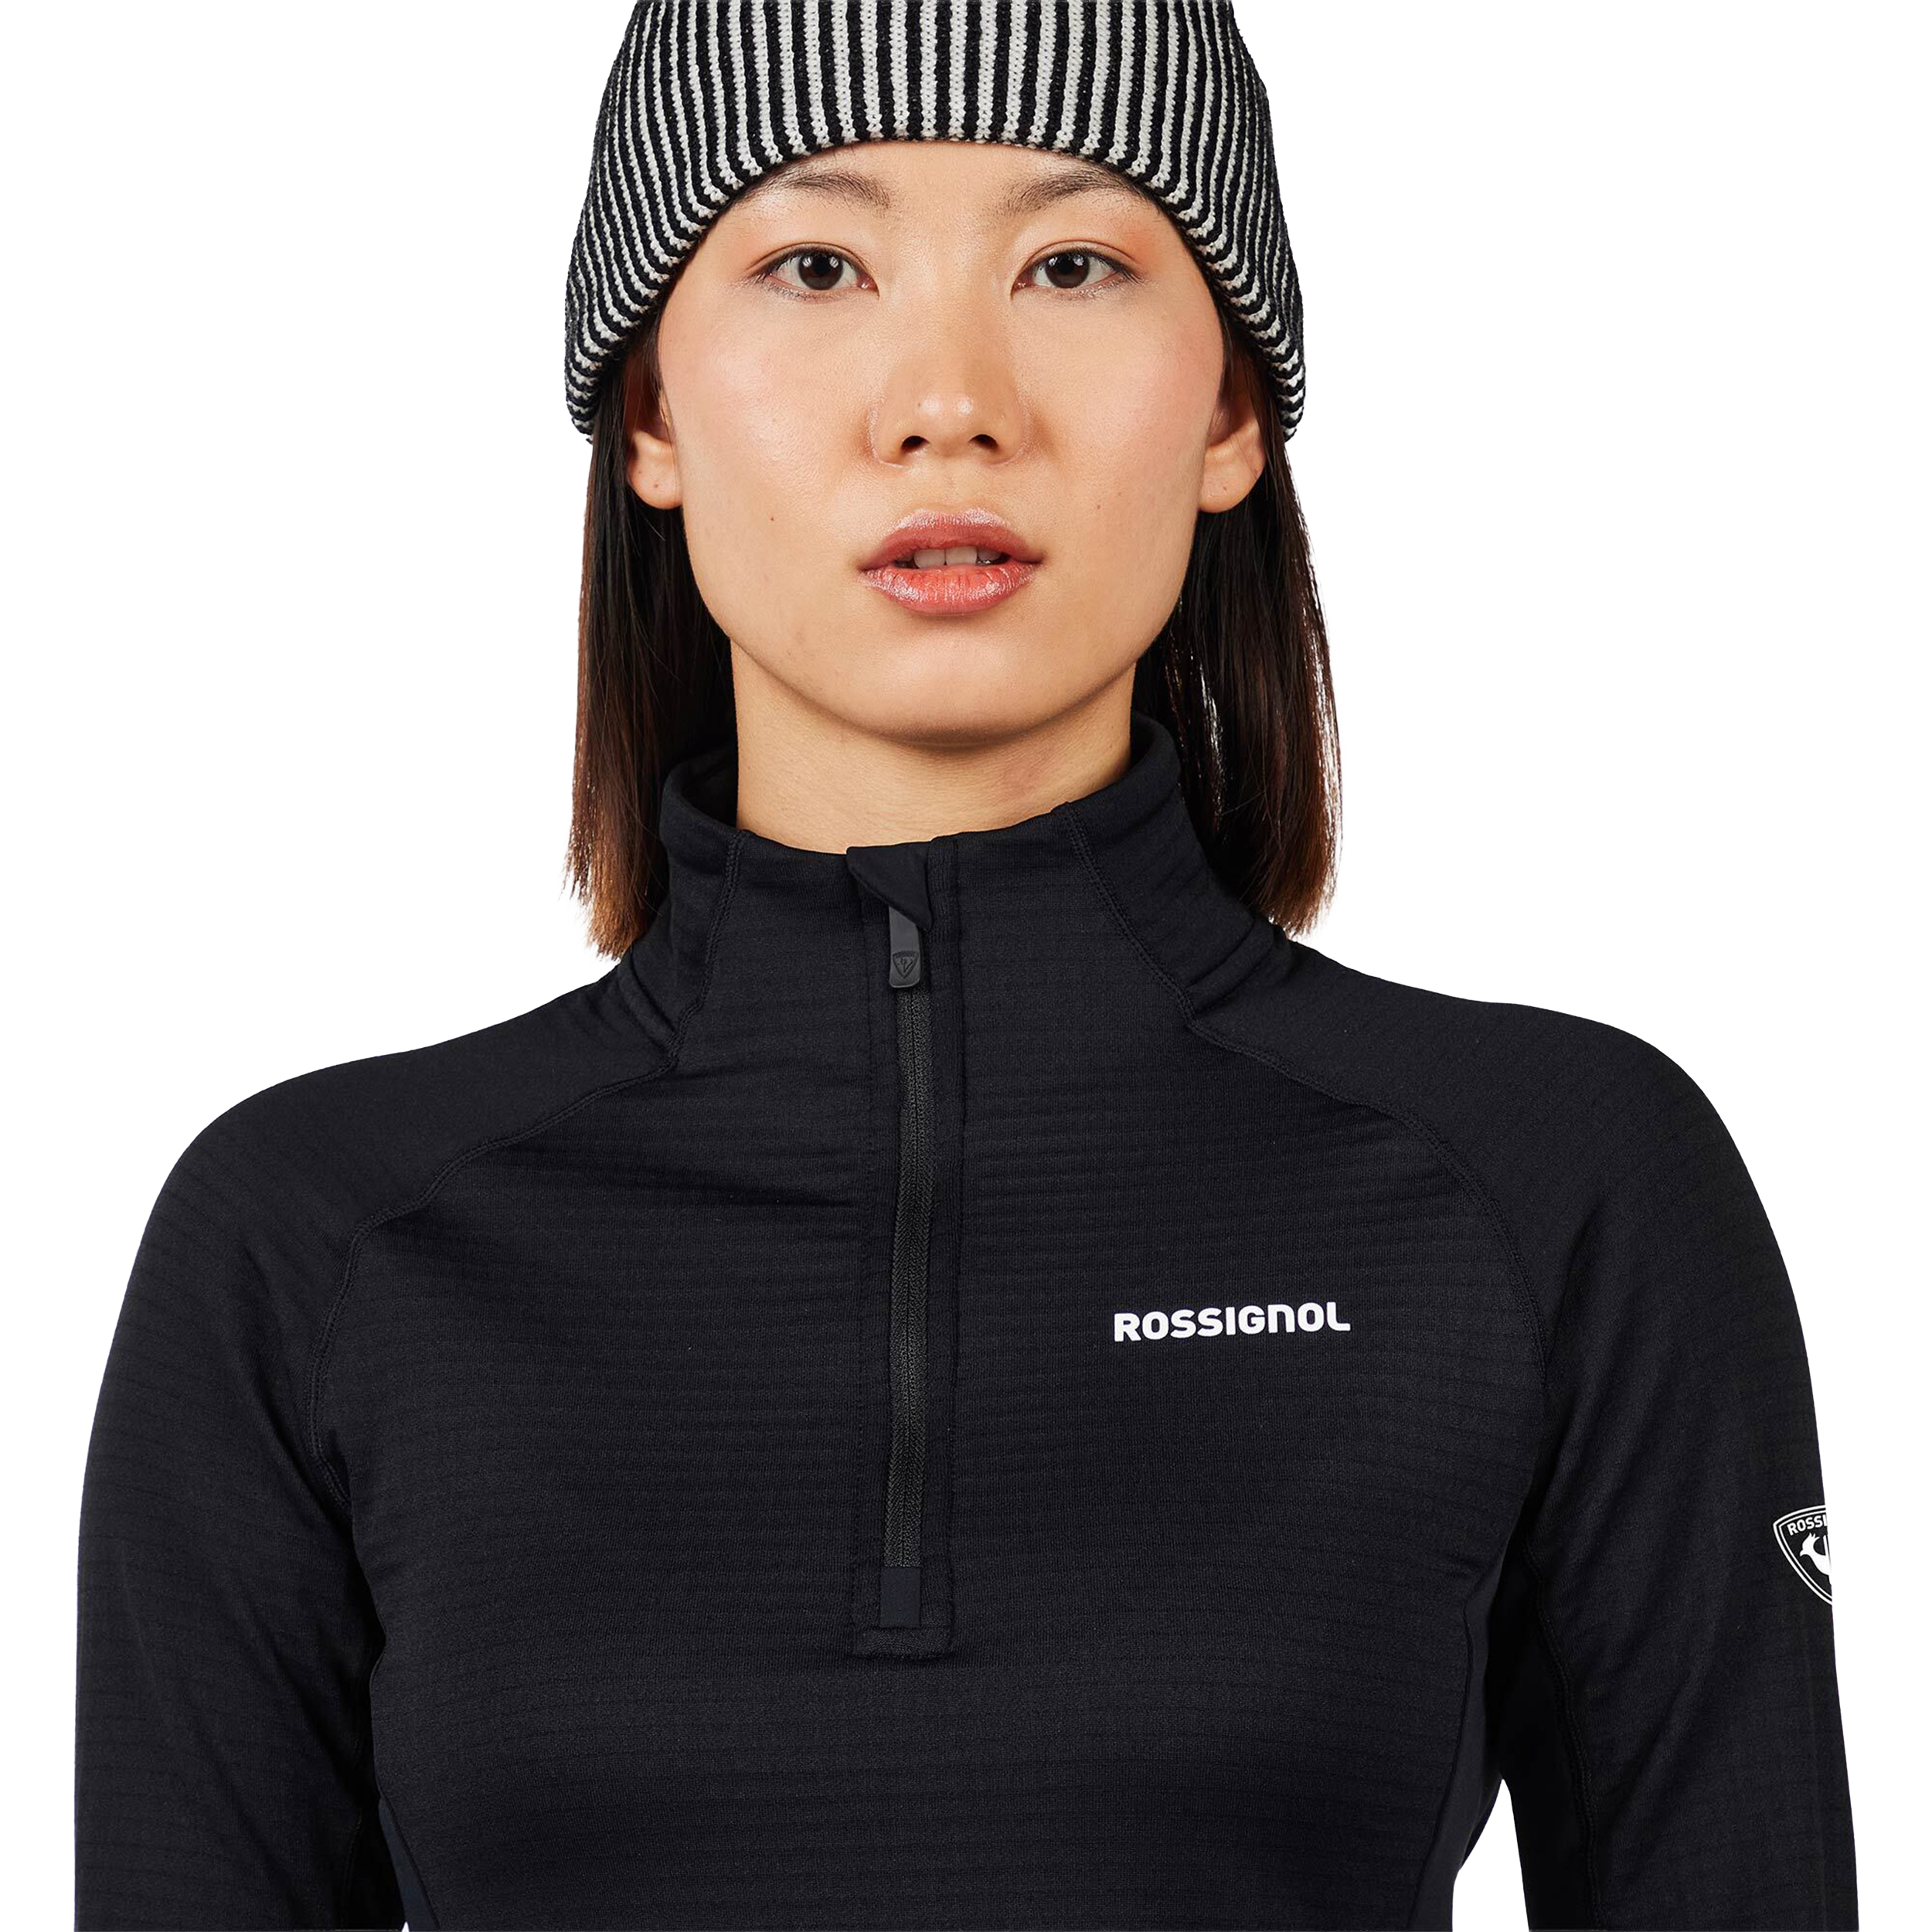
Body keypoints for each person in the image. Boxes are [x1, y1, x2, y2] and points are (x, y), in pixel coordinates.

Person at [74, 4, 1858, 1927]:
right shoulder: (315, 1238)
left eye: (1070, 265)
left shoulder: (1553, 1178)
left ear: (1231, 416)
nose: (947, 402)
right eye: (814, 266)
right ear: (651, 415)